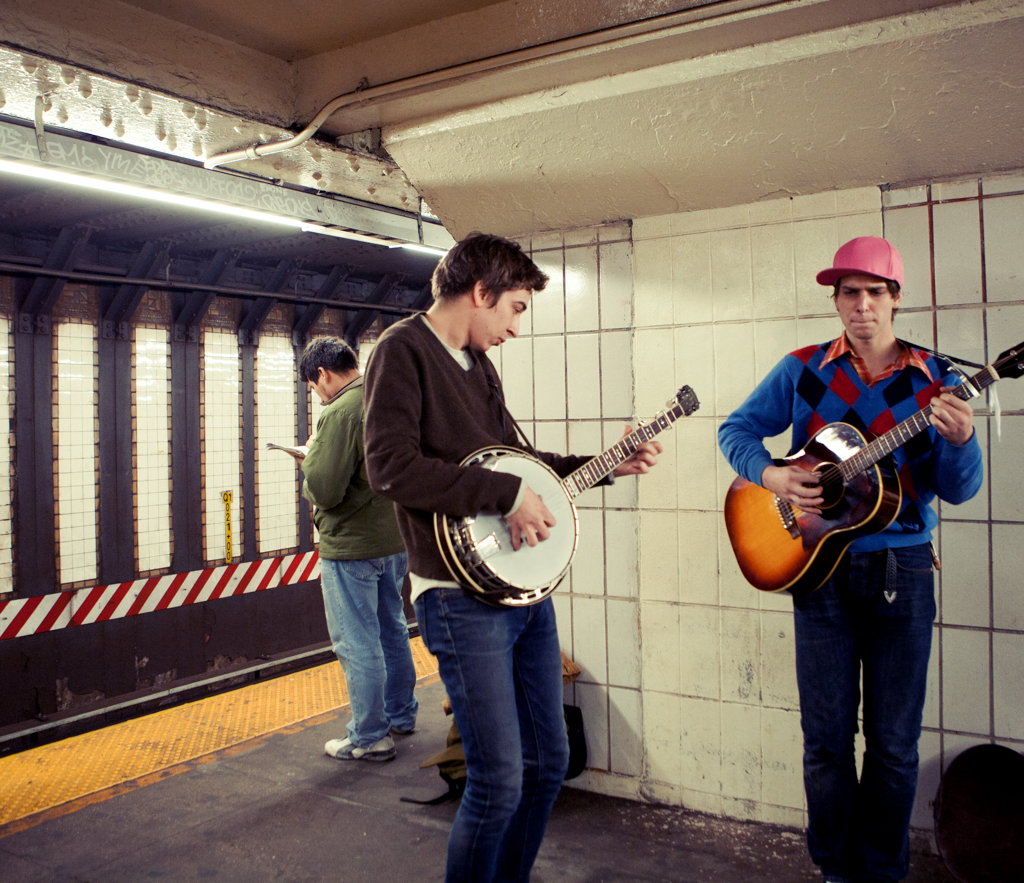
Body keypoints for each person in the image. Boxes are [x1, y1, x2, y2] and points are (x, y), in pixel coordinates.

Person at [362, 232, 662, 883]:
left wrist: (604, 466)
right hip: (456, 596)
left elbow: (521, 467)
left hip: (521, 595)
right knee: (496, 780)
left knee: (548, 762)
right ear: (480, 293)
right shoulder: (402, 351)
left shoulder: (477, 365)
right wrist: (505, 493)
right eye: (515, 309)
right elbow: (389, 468)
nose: (515, 329)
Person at [717, 236, 983, 883]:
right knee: (827, 741)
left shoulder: (937, 378)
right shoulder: (803, 368)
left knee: (892, 746)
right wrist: (774, 479)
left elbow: (960, 488)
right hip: (818, 569)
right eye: (849, 293)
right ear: (836, 300)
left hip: (905, 573)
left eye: (874, 292)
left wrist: (963, 439)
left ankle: (883, 870)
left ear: (896, 298)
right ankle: (835, 869)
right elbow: (736, 430)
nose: (861, 305)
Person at [299, 336, 419, 761]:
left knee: (357, 641)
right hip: (395, 538)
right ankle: (401, 714)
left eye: (314, 388)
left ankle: (370, 736)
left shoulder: (341, 411)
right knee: (393, 628)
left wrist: (308, 463)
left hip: (352, 548)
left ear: (323, 375)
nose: (318, 395)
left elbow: (326, 489)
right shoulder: (386, 396)